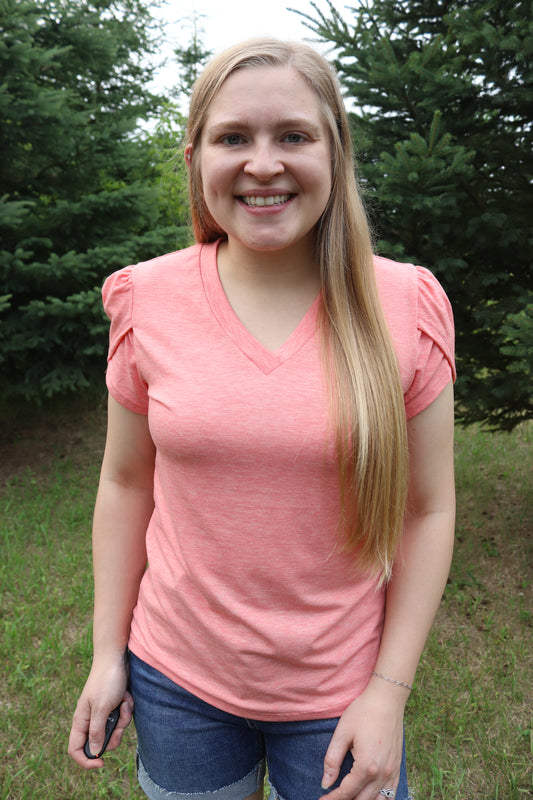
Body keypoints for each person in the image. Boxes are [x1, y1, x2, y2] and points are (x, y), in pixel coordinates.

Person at [68, 38, 456, 800]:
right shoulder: (145, 299)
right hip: (177, 682)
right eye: (233, 138)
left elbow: (428, 507)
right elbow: (123, 483)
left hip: (339, 689)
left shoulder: (406, 304)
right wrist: (107, 651)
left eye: (293, 136)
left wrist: (387, 691)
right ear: (195, 157)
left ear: (335, 151)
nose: (263, 163)